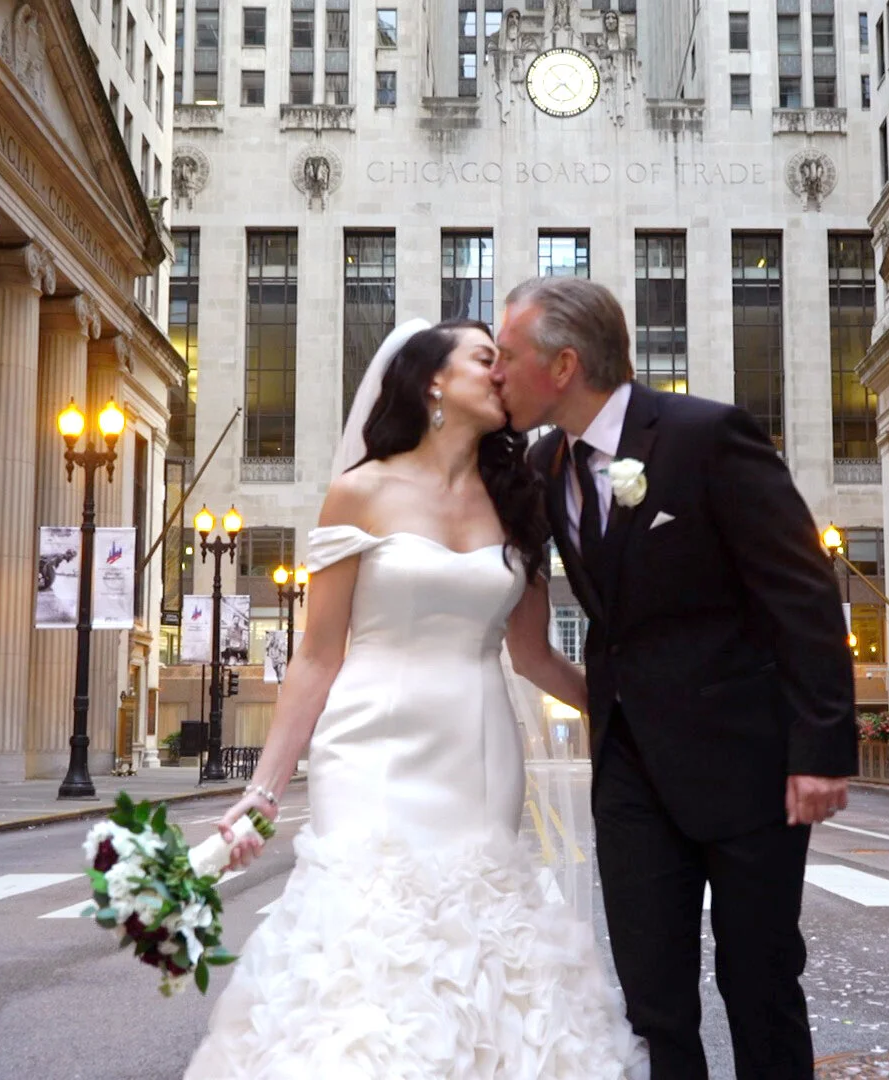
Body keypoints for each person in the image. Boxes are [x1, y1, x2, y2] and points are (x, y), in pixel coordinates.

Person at [187, 318, 642, 1078]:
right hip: (372, 745)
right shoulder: (360, 492)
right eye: (484, 360)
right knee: (373, 932)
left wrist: (632, 707)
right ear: (432, 380)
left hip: (479, 750)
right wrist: (263, 792)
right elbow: (317, 655)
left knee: (479, 932)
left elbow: (530, 655)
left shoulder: (517, 497)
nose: (501, 375)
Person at [491, 276, 857, 1080]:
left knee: (758, 981)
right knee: (653, 1000)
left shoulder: (706, 435)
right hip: (630, 775)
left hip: (746, 765)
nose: (494, 372)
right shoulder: (547, 465)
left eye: (507, 355)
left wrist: (822, 747)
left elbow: (801, 593)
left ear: (563, 364)